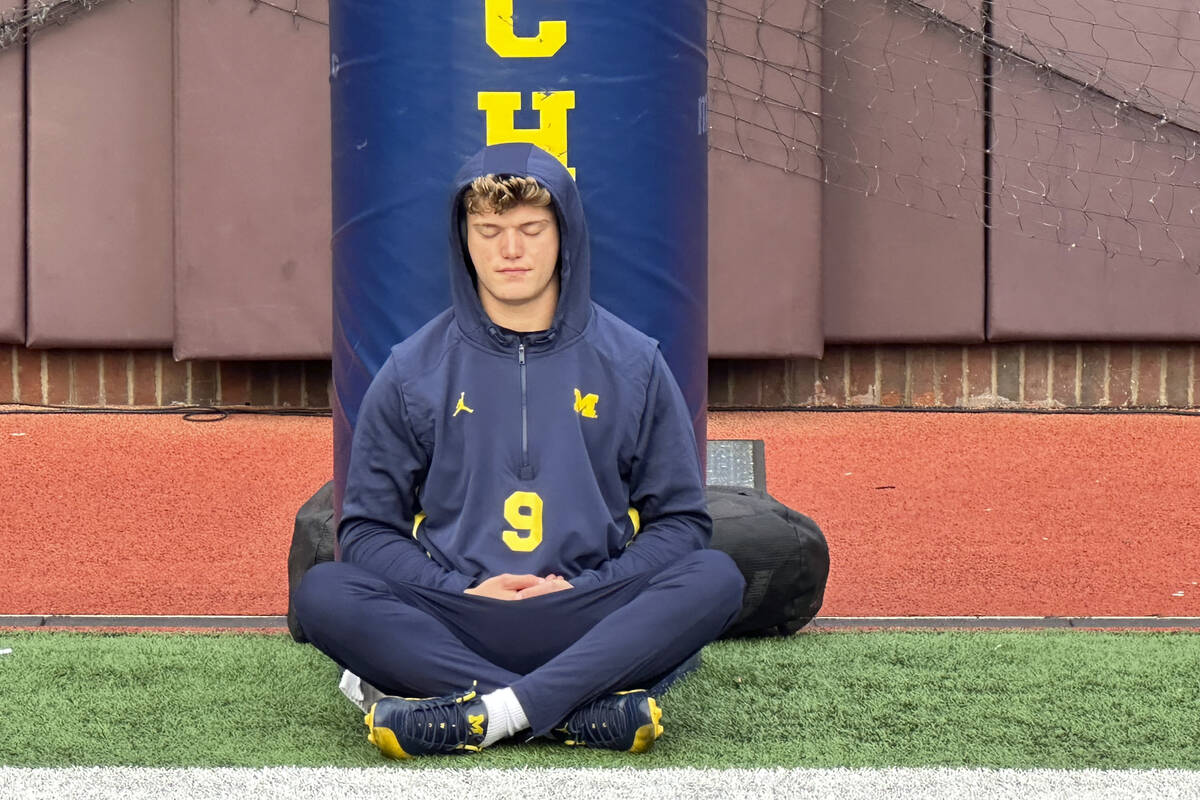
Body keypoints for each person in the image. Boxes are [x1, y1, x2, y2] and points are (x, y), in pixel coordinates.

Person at [294, 142, 745, 759]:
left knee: (715, 578)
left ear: (566, 235)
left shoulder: (633, 362)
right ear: (464, 241)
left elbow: (682, 522)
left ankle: (481, 712)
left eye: (531, 229)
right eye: (489, 231)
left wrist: (592, 585)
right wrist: (454, 589)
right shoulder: (412, 370)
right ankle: (571, 712)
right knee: (324, 593)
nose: (510, 250)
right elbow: (369, 529)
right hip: (461, 612)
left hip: (584, 607)